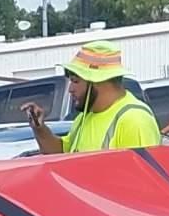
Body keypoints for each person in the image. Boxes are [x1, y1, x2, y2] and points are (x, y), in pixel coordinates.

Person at [27, 42, 161, 154]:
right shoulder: (84, 117)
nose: (70, 89)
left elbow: (143, 182)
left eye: (75, 81)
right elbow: (61, 154)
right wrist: (39, 128)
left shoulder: (134, 121)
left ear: (97, 81)